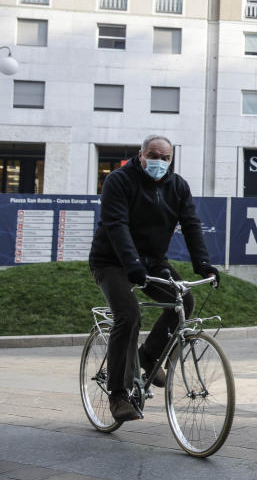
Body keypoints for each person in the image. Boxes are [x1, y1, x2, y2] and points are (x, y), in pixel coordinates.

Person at [88, 134, 219, 422]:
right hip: (111, 261)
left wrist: (204, 265)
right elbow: (116, 224)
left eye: (165, 157)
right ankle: (118, 394)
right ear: (141, 154)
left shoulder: (178, 186)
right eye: (153, 154)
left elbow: (191, 225)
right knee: (128, 314)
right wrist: (132, 264)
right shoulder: (119, 181)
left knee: (183, 300)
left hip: (153, 262)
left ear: (171, 159)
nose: (158, 161)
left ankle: (147, 357)